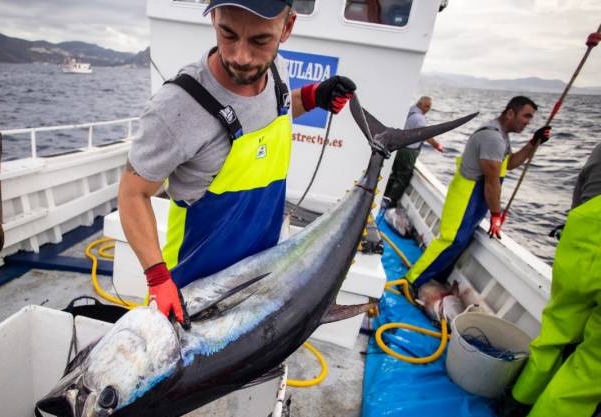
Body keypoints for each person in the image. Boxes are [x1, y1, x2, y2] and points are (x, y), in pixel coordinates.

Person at [117, 0, 357, 327]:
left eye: (260, 41)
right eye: (227, 34)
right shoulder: (176, 107)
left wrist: (313, 97)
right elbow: (132, 193)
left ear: (287, 28)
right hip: (191, 291)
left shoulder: (277, 70)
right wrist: (158, 279)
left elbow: (278, 109)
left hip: (260, 276)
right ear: (214, 17)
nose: (241, 57)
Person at [497, 142, 601, 417]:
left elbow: (581, 195)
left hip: (583, 235)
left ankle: (513, 407)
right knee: (592, 364)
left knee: (556, 328)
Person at [404, 96, 551, 289]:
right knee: (451, 241)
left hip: (476, 200)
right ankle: (411, 281)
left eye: (531, 118)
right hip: (466, 196)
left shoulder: (502, 136)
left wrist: (533, 143)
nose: (528, 122)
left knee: (460, 242)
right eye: (526, 116)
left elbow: (510, 164)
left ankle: (432, 283)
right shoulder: (492, 138)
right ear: (510, 113)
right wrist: (496, 216)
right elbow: (492, 183)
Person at [383, 96, 444, 207]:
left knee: (394, 174)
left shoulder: (409, 111)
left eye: (429, 107)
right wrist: (437, 145)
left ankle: (384, 196)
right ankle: (390, 203)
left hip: (399, 147)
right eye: (426, 106)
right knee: (402, 177)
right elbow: (425, 134)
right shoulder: (419, 118)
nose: (428, 109)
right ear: (420, 104)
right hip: (408, 151)